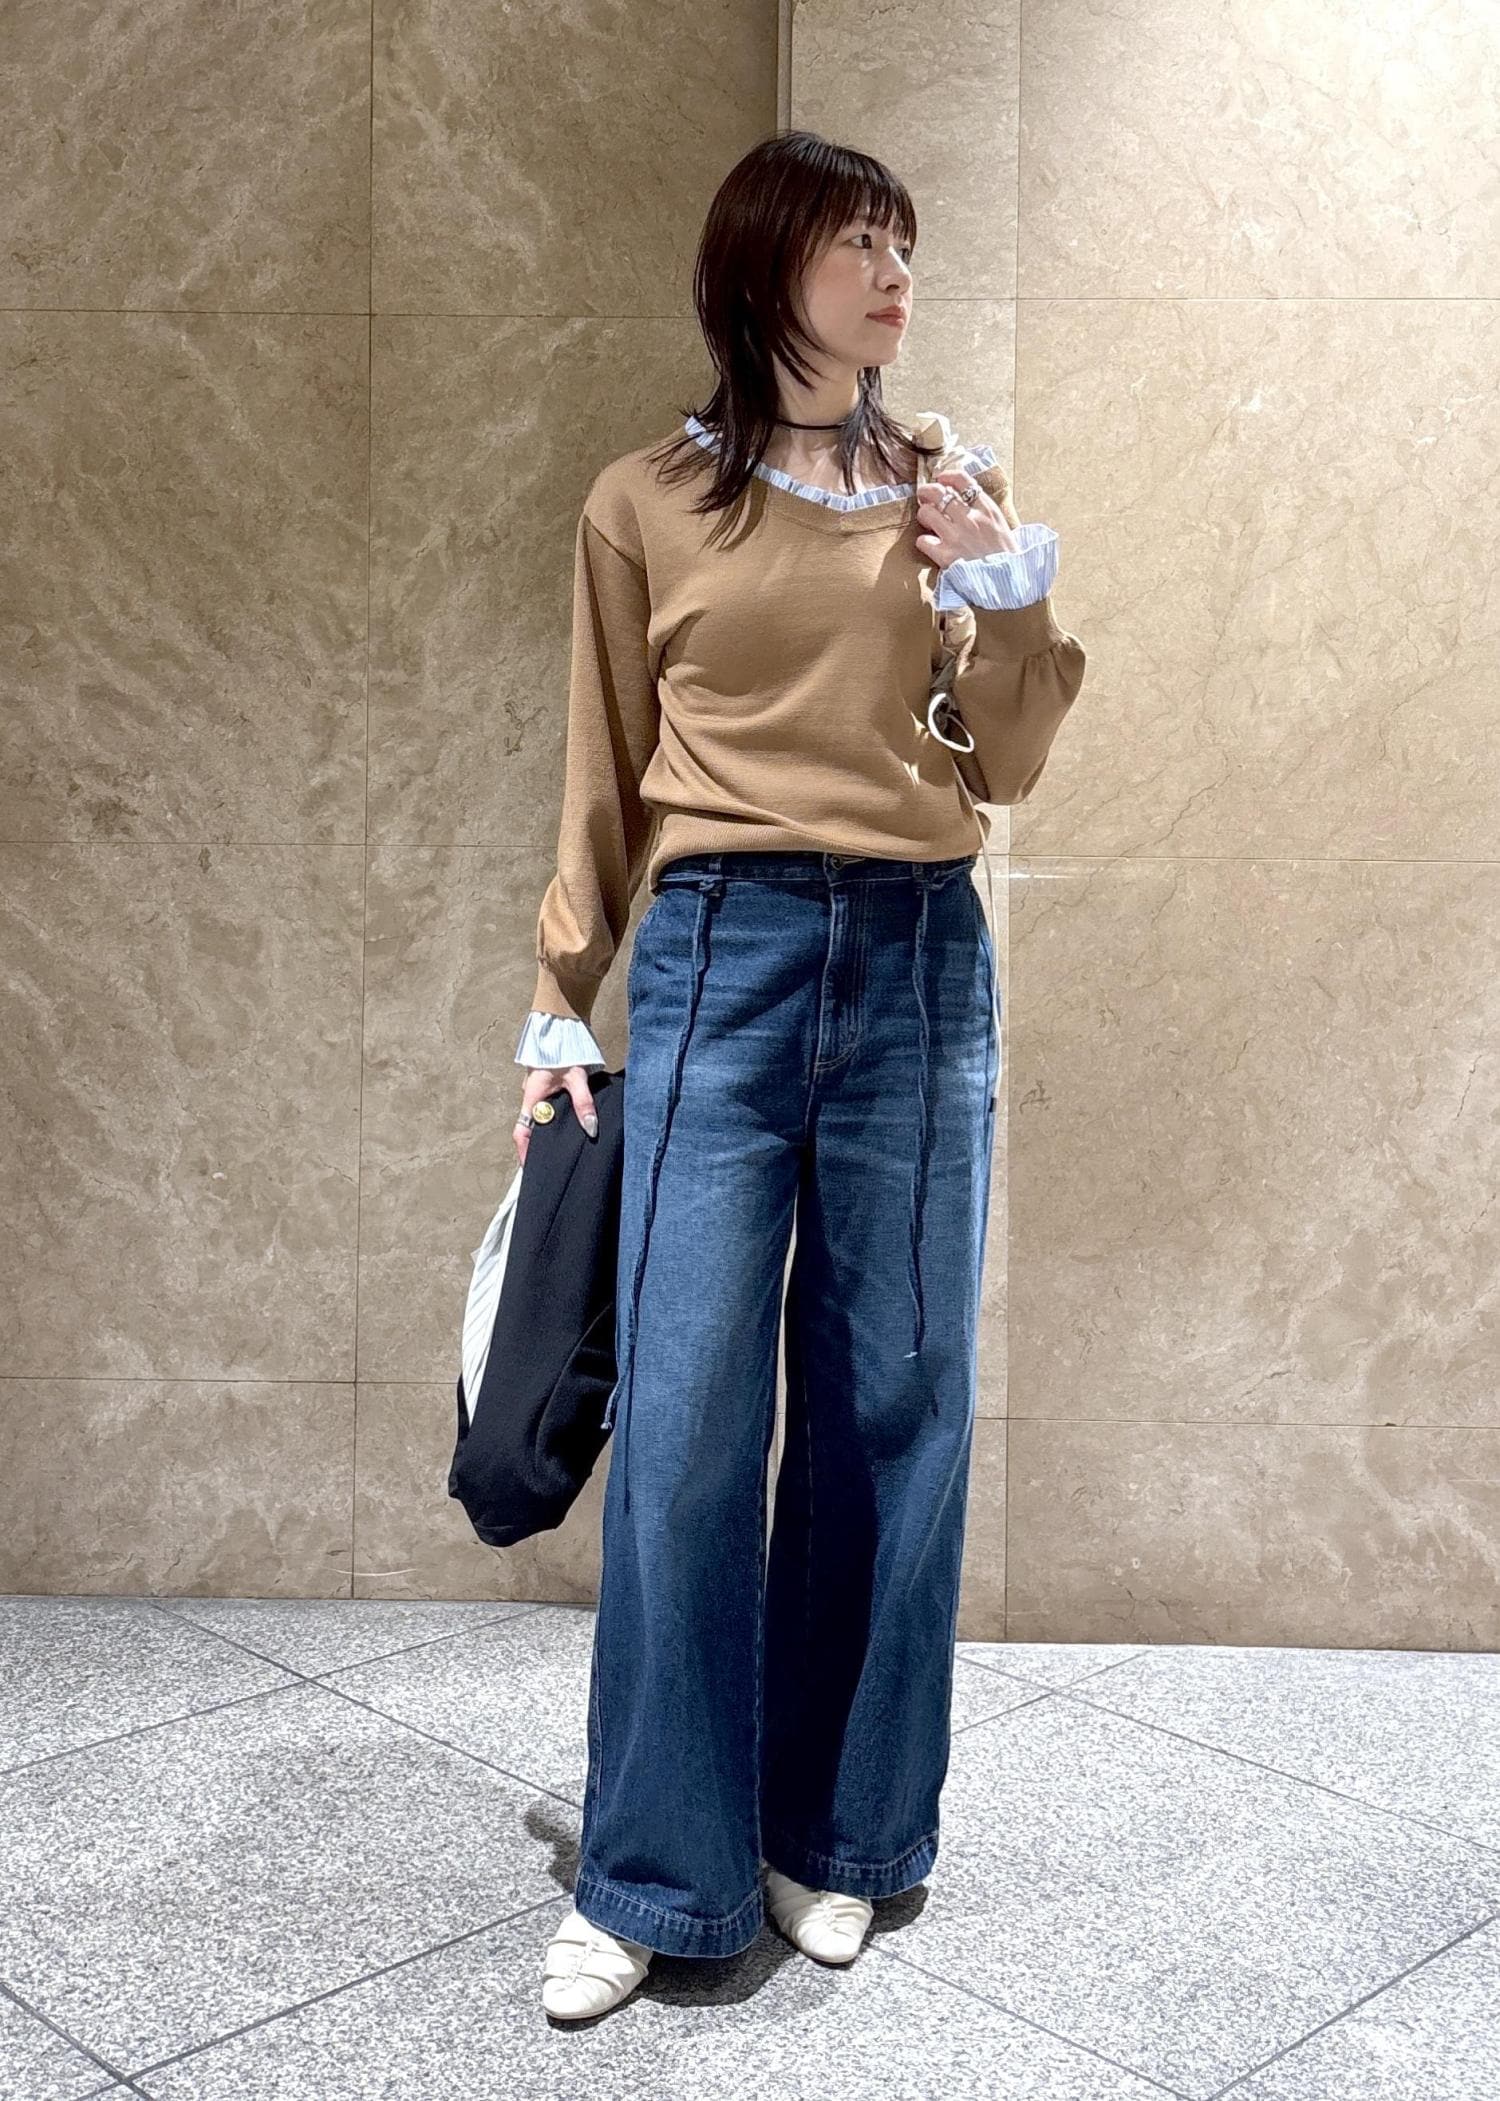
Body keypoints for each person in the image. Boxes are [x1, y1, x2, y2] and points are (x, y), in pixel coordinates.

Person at [515, 129, 1087, 2021]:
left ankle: (841, 1834)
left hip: (920, 958)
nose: (897, 276)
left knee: (894, 1404)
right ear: (767, 271)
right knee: (686, 1417)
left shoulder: (949, 488)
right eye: (861, 245)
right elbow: (604, 762)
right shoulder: (646, 499)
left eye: (905, 246)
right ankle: (654, 1865)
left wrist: (1002, 589)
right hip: (719, 959)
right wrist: (559, 1000)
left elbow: (1009, 762)